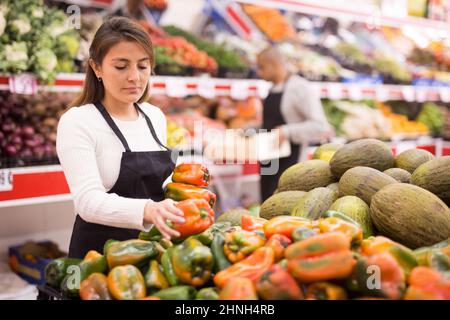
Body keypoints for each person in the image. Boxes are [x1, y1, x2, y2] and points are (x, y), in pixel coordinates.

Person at [56, 17, 185, 259]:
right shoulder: (78, 121)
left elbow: (161, 184)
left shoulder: (154, 116)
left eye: (143, 66)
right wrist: (146, 209)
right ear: (97, 68)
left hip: (151, 252)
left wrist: (186, 195)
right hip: (99, 259)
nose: (134, 77)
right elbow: (87, 201)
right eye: (121, 66)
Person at [256, 46, 333, 202]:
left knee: (283, 205)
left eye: (261, 67)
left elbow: (320, 126)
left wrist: (287, 131)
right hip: (268, 160)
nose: (258, 72)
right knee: (266, 205)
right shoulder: (272, 89)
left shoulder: (300, 88)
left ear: (274, 64)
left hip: (290, 163)